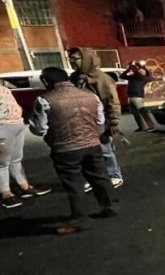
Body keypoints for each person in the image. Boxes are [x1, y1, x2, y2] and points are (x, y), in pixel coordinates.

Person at [29, 67, 117, 234]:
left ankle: (79, 220)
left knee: (74, 184)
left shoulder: (45, 99)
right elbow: (100, 120)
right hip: (92, 145)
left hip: (65, 148)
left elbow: (39, 129)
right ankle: (110, 206)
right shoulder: (91, 96)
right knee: (100, 177)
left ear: (46, 81)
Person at [68, 47, 124, 188]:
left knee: (105, 149)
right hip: (80, 121)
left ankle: (114, 174)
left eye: (75, 58)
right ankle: (93, 176)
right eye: (70, 58)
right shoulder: (74, 78)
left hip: (99, 121)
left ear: (86, 59)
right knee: (86, 152)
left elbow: (112, 101)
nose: (72, 61)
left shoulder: (102, 79)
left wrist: (113, 122)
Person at [0, 83, 50, 209]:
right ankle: (6, 193)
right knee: (2, 163)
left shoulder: (4, 89)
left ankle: (23, 186)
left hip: (17, 124)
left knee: (16, 158)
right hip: (2, 127)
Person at [120, 60, 155, 132]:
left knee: (142, 111)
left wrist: (132, 66)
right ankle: (141, 127)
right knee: (135, 113)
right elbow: (122, 76)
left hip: (137, 96)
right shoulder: (134, 76)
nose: (141, 71)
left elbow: (136, 72)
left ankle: (151, 126)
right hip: (131, 96)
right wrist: (129, 68)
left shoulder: (141, 77)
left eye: (142, 70)